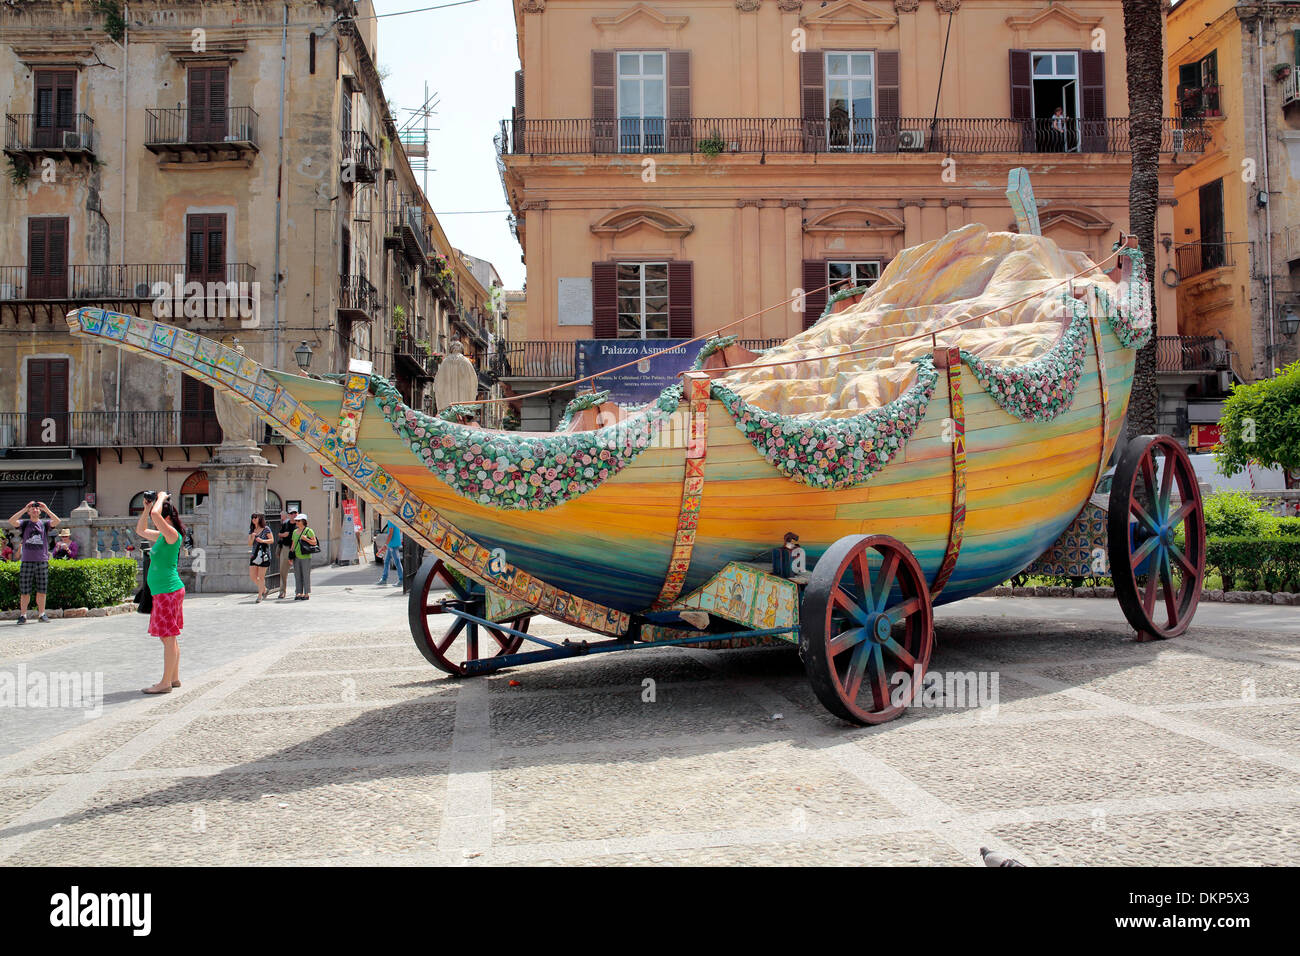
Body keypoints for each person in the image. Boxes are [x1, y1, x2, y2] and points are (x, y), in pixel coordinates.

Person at [135, 491, 186, 694]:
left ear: (167, 518)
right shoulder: (163, 537)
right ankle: (173, 678)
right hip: (163, 591)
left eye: (160, 518)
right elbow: (141, 530)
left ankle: (165, 683)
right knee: (169, 637)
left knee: (168, 636)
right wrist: (147, 508)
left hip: (168, 591)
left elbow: (156, 517)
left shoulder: (173, 534)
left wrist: (161, 497)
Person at [8, 500, 60, 624]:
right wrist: (24, 509)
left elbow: (57, 521)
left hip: (41, 560)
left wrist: (46, 509)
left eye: (37, 509)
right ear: (29, 512)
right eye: (32, 508)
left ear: (40, 512)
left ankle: (42, 614)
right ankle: (23, 615)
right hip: (26, 561)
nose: (35, 510)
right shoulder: (24, 523)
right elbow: (11, 521)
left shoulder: (44, 524)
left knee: (42, 590)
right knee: (25, 590)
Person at [290, 513, 318, 601]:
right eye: (296, 521)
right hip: (296, 556)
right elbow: (293, 544)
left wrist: (306, 539)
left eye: (298, 521)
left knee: (306, 575)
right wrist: (290, 556)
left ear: (303, 521)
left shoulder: (309, 531)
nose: (296, 522)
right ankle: (298, 592)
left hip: (305, 556)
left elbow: (314, 542)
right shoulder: (295, 532)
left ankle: (306, 593)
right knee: (297, 575)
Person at [248, 513, 274, 602]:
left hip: (264, 555)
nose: (254, 519)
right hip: (254, 555)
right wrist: (252, 537)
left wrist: (262, 540)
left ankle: (259, 596)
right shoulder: (252, 530)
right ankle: (265, 590)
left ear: (260, 519)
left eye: (255, 518)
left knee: (261, 576)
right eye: (252, 518)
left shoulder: (266, 529)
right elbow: (250, 544)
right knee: (253, 576)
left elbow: (272, 540)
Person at [275, 507, 299, 599]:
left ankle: (298, 591)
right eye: (291, 513)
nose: (293, 515)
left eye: (295, 513)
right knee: (283, 571)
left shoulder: (299, 525)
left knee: (298, 571)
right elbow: (279, 534)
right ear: (289, 515)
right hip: (285, 549)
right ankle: (282, 591)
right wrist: (284, 534)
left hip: (296, 550)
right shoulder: (286, 525)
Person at [376, 515, 404, 587]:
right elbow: (400, 530)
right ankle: (384, 579)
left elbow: (390, 533)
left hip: (392, 544)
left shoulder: (390, 520)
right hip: (394, 543)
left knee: (396, 561)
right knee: (386, 561)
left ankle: (401, 579)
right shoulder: (396, 519)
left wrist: (386, 544)